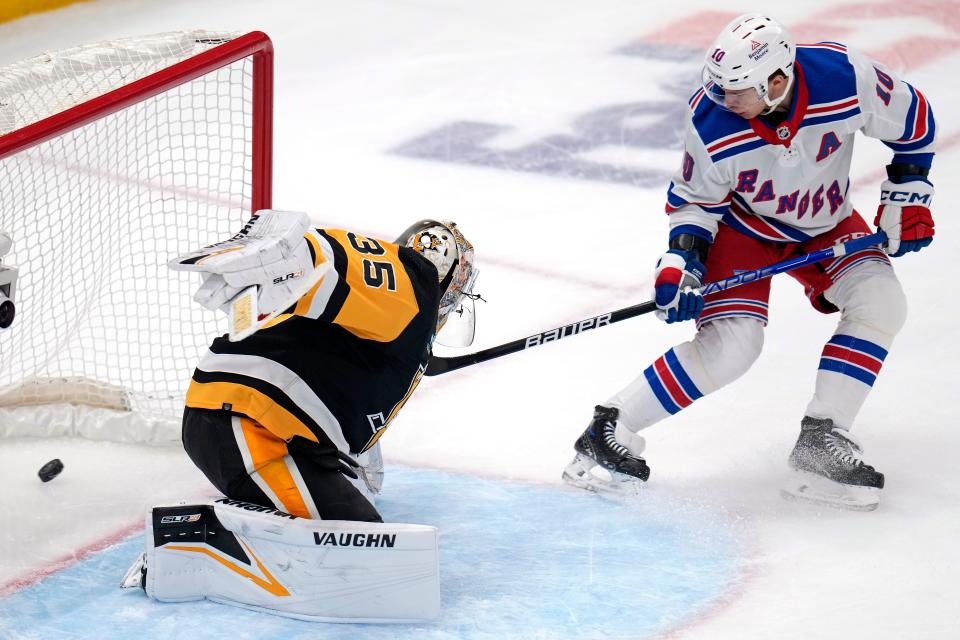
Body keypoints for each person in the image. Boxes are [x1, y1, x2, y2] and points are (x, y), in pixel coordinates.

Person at [563, 14, 935, 511]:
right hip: (743, 233)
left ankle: (821, 440)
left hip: (825, 223)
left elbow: (914, 122)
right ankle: (611, 426)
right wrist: (683, 262)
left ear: (778, 80)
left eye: (737, 90)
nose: (723, 99)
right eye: (718, 87)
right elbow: (696, 201)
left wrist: (907, 196)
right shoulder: (711, 120)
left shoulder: (845, 77)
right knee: (733, 348)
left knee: (882, 301)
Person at [119, 211, 476, 621]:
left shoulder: (389, 330)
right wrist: (295, 252)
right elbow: (354, 263)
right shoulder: (413, 287)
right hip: (243, 425)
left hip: (251, 423)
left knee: (364, 544)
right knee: (369, 558)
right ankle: (193, 541)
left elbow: (338, 379)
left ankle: (234, 529)